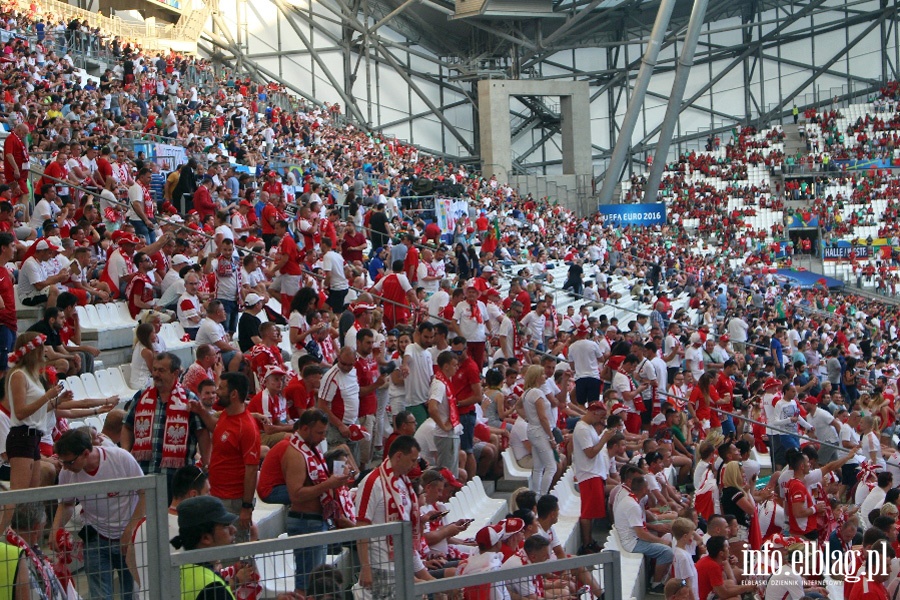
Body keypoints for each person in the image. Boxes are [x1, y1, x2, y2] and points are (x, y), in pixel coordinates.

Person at [51, 428, 146, 600]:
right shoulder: (67, 473)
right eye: (62, 462)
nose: (64, 467)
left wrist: (131, 529)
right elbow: (66, 504)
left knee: (131, 594)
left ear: (86, 453)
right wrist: (55, 529)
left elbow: (145, 493)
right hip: (96, 538)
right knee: (100, 596)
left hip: (128, 538)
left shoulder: (120, 458)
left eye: (69, 462)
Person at [282, 409, 356, 593]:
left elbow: (320, 482)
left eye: (324, 433)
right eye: (320, 433)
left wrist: (335, 481)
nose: (323, 438)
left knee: (316, 583)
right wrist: (328, 484)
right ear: (305, 428)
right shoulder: (295, 454)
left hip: (316, 521)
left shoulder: (310, 449)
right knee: (307, 584)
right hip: (306, 522)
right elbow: (296, 494)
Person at [3, 332, 71, 527]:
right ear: (33, 351)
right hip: (21, 436)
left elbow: (38, 410)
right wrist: (47, 396)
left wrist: (57, 401)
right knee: (19, 495)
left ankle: (24, 537)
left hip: (33, 437)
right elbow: (21, 411)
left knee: (32, 496)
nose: (46, 351)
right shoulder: (18, 375)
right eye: (42, 348)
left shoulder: (33, 376)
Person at [122, 352, 210, 499]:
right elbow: (127, 426)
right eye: (154, 369)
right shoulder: (141, 396)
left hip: (177, 477)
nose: (156, 374)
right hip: (145, 471)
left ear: (175, 373)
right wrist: (125, 454)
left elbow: (201, 432)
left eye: (161, 370)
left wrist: (207, 462)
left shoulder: (189, 399)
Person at [355, 436, 433, 596]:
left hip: (401, 562)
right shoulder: (372, 483)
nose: (414, 466)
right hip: (380, 565)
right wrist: (366, 567)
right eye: (412, 460)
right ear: (398, 456)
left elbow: (406, 528)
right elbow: (362, 525)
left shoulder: (403, 483)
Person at [208, 372, 260, 543]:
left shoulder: (246, 427)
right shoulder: (226, 415)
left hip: (233, 502)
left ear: (234, 394)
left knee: (234, 555)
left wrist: (246, 507)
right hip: (217, 495)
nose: (217, 391)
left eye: (221, 388)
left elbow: (251, 470)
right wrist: (201, 411)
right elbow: (218, 430)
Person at [612, 475, 673, 592]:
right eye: (648, 487)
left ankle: (655, 576)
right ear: (644, 489)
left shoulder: (632, 501)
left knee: (666, 542)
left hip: (633, 539)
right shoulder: (632, 505)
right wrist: (662, 541)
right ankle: (656, 585)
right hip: (632, 543)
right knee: (667, 552)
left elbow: (651, 506)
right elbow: (641, 534)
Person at [572, 402, 612, 553]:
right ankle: (587, 544)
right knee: (587, 513)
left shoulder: (588, 427)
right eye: (601, 416)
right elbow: (590, 453)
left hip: (594, 473)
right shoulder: (582, 428)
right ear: (594, 413)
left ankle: (590, 541)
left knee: (591, 512)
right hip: (588, 474)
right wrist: (604, 439)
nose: (602, 420)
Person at [521, 365, 556, 495]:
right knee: (551, 466)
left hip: (532, 429)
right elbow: (543, 417)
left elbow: (518, 407)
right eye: (542, 374)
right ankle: (542, 496)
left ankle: (535, 494)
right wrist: (551, 437)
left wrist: (527, 417)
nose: (545, 376)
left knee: (538, 467)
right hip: (539, 431)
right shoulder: (537, 393)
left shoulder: (527, 393)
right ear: (536, 377)